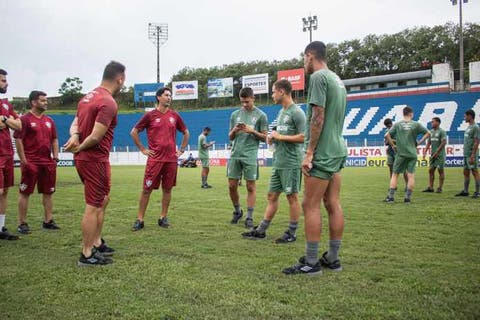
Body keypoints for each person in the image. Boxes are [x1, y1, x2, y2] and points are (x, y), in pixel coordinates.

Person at [283, 41, 347, 275]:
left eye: (303, 58)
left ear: (310, 56)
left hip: (322, 152)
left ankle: (311, 263)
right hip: (338, 148)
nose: (303, 63)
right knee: (333, 203)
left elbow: (317, 117)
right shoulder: (337, 80)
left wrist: (309, 152)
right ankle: (333, 258)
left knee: (310, 205)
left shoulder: (319, 78)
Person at [64, 61, 126, 266]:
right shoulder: (108, 102)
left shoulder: (87, 97)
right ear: (120, 79)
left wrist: (74, 135)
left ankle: (96, 242)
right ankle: (87, 253)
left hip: (90, 159)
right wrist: (79, 146)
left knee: (103, 199)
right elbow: (96, 136)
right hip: (93, 158)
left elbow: (75, 121)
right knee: (93, 205)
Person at [242, 79, 305, 243]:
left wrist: (280, 137)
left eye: (273, 91)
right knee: (272, 195)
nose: (272, 95)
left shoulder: (297, 112)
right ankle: (261, 230)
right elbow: (277, 133)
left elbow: (304, 137)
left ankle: (292, 233)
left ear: (282, 92)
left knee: (292, 197)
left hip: (291, 162)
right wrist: (272, 138)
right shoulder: (281, 112)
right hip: (278, 161)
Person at [131, 87, 189, 231]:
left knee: (167, 189)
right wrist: (143, 149)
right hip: (155, 160)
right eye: (166, 95)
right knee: (146, 190)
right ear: (158, 97)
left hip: (171, 160)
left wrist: (181, 149)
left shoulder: (174, 116)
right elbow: (134, 131)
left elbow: (186, 132)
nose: (169, 97)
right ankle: (140, 219)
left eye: (170, 95)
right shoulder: (150, 115)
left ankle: (163, 217)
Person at [14, 91, 60, 234]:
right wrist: (23, 160)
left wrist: (56, 156)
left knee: (48, 192)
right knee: (25, 192)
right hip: (31, 162)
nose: (46, 103)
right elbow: (18, 139)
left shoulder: (49, 121)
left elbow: (54, 139)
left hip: (47, 162)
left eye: (46, 100)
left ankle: (48, 221)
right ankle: (22, 223)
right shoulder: (24, 120)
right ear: (33, 102)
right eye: (42, 100)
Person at [227, 87, 268, 228]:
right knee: (232, 186)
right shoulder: (235, 115)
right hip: (235, 155)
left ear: (253, 98)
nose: (244, 105)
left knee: (250, 187)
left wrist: (252, 131)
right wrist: (234, 130)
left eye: (247, 102)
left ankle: (249, 217)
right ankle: (238, 211)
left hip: (250, 155)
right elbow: (230, 137)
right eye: (242, 102)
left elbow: (265, 138)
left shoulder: (261, 115)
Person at [384, 106, 430, 203]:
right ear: (411, 114)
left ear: (403, 114)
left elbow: (386, 135)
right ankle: (407, 198)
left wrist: (393, 145)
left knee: (395, 174)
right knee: (411, 175)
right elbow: (428, 133)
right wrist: (420, 142)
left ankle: (391, 197)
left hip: (400, 153)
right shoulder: (416, 124)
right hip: (412, 153)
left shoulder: (397, 124)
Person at [0, 69, 22, 240]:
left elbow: (19, 125)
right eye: (2, 80)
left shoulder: (6, 104)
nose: (6, 83)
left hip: (7, 152)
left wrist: (5, 120)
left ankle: (1, 228)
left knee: (5, 190)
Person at [455, 109, 480, 198]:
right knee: (465, 172)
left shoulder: (475, 127)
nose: (464, 117)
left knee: (475, 171)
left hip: (471, 154)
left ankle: (477, 192)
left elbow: (477, 142)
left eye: (465, 116)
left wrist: (473, 154)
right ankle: (466, 191)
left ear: (470, 116)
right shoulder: (469, 127)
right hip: (466, 154)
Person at [422, 117, 447, 193]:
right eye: (431, 122)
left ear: (438, 122)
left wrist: (437, 153)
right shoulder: (431, 132)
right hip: (433, 155)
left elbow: (443, 142)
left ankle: (440, 188)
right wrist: (425, 151)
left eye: (433, 122)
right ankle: (431, 187)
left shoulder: (442, 131)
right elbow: (429, 142)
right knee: (431, 170)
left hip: (440, 155)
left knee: (440, 170)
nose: (431, 123)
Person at [384, 118, 408, 187]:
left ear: (391, 124)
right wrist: (388, 141)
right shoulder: (386, 131)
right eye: (387, 127)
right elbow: (386, 142)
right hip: (390, 151)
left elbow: (401, 140)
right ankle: (393, 185)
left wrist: (390, 140)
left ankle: (407, 185)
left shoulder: (398, 130)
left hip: (399, 151)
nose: (388, 128)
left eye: (389, 126)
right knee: (391, 168)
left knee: (403, 169)